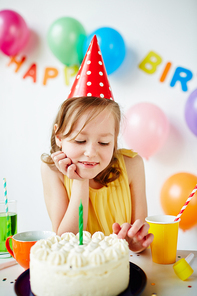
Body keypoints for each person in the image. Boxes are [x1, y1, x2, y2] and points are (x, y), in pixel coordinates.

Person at [41, 35, 153, 253]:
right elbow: (64, 242)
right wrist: (80, 181)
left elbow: (141, 243)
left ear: (115, 137)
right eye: (80, 140)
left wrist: (136, 243)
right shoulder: (51, 170)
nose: (91, 152)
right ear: (59, 136)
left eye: (104, 142)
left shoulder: (133, 165)